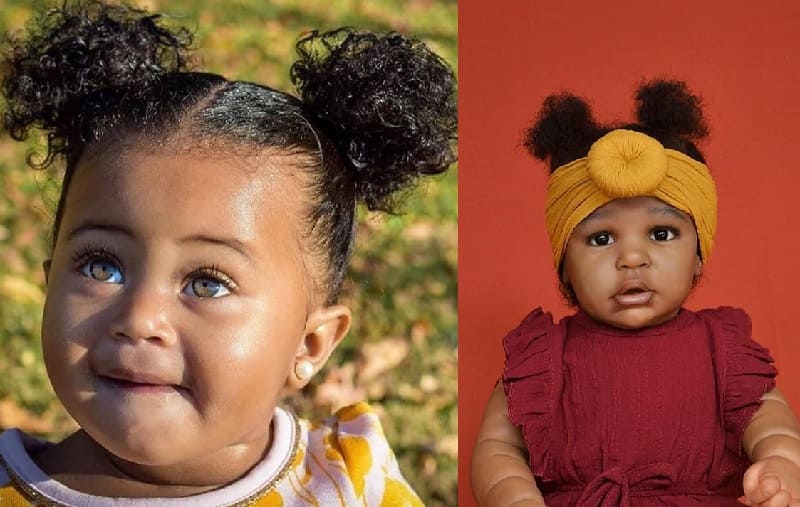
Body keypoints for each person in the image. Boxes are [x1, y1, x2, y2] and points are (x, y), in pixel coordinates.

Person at [0, 1, 456, 505]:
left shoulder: (349, 483)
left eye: (207, 283)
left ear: (308, 346)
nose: (141, 319)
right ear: (49, 283)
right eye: (102, 267)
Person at [470, 79, 800, 506]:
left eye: (661, 233)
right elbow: (498, 449)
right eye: (602, 238)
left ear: (699, 253)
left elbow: (773, 425)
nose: (631, 257)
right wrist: (514, 497)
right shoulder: (542, 358)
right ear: (564, 264)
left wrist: (780, 463)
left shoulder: (724, 351)